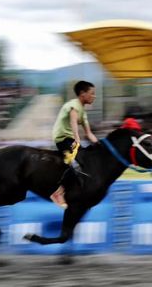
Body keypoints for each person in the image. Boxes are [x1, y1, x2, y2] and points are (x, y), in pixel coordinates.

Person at [50, 80, 98, 209]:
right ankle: (58, 193)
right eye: (92, 93)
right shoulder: (74, 105)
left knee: (87, 160)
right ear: (82, 94)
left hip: (71, 139)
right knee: (76, 163)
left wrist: (101, 146)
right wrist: (77, 139)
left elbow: (89, 134)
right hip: (63, 138)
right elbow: (73, 121)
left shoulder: (83, 112)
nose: (94, 96)